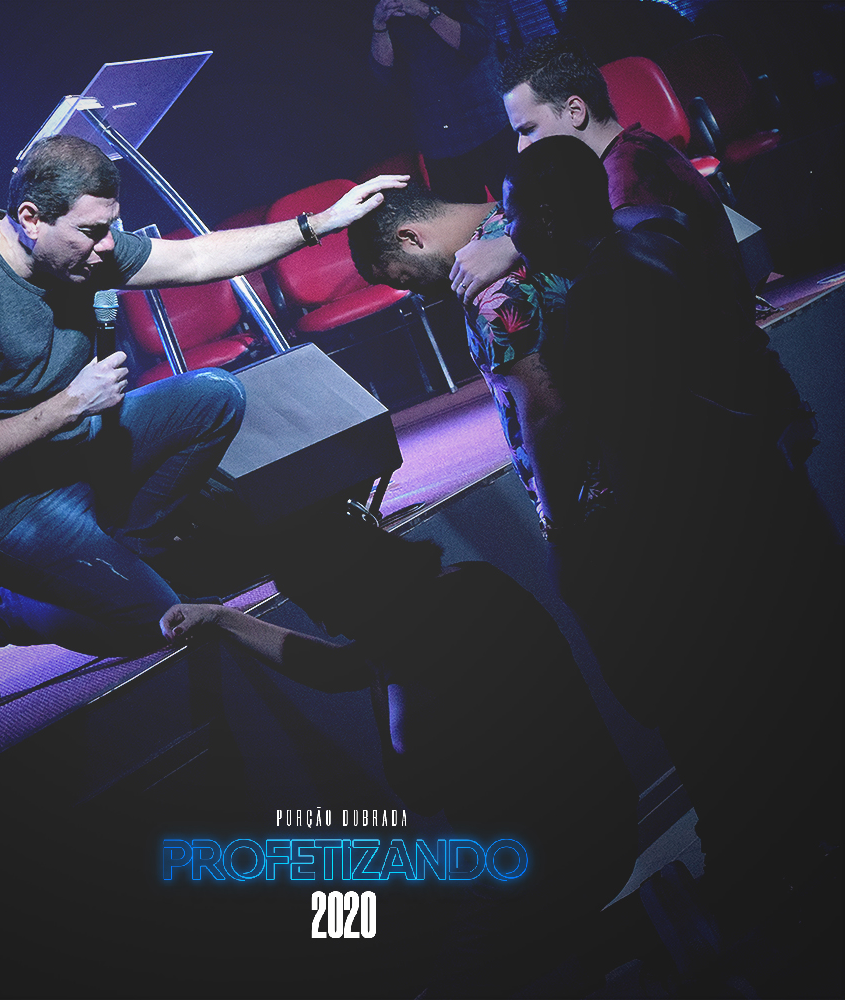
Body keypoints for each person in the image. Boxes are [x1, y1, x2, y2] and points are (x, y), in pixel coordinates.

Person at [0, 133, 406, 709]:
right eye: (91, 232)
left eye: (109, 228)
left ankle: (129, 549)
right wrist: (70, 403)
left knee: (215, 395)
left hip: (74, 449)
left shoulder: (80, 246)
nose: (105, 248)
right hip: (2, 508)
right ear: (31, 219)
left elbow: (195, 258)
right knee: (156, 627)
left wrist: (318, 224)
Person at [503, 135, 842, 944]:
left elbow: (596, 427)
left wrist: (569, 530)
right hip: (762, 497)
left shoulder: (593, 303)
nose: (506, 233)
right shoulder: (655, 238)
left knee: (731, 714)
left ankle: (775, 901)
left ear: (545, 215)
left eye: (512, 215)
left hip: (704, 527)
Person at [160, 507, 637, 997]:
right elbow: (335, 669)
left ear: (348, 588)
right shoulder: (471, 582)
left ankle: (621, 936)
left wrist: (387, 673)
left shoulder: (406, 664)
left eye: (318, 605)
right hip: (608, 815)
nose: (326, 624)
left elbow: (418, 791)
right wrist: (222, 617)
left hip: (550, 865)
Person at [447, 33, 753, 333]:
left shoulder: (626, 177)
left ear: (575, 111)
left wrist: (513, 245)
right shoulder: (631, 152)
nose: (521, 147)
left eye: (528, 129)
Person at [348, 183, 605, 538]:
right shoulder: (522, 219)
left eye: (405, 277)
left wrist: (558, 522)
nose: (413, 291)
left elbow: (547, 414)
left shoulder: (490, 289)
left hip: (598, 499)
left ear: (410, 237)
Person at [370, 0, 518, 203]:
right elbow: (383, 73)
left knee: (523, 205)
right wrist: (379, 26)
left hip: (489, 124)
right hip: (439, 141)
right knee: (460, 219)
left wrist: (424, 11)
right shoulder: (393, 9)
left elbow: (477, 44)